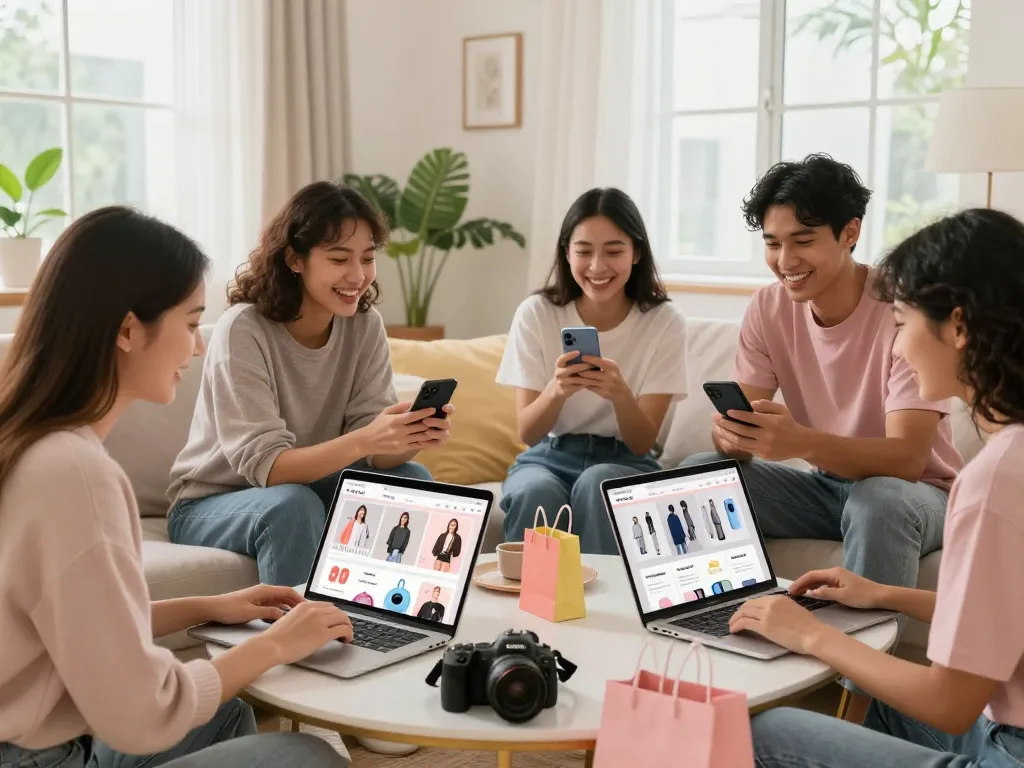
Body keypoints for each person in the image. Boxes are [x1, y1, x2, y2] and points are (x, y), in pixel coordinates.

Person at [0, 207, 351, 768]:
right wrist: (278, 644)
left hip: (33, 740)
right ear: (127, 329)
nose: (197, 348)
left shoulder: (29, 444)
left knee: (225, 714)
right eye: (191, 324)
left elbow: (74, 622)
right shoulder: (76, 475)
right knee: (308, 757)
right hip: (39, 758)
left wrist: (209, 606)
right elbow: (144, 715)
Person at [737, 208, 1024, 767]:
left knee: (769, 733)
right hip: (1004, 730)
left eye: (902, 321)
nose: (901, 344)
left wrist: (813, 637)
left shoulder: (994, 481)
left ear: (958, 327)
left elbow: (949, 703)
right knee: (886, 707)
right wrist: (885, 596)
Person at [681, 154, 963, 720]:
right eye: (772, 243)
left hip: (918, 496)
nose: (785, 261)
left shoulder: (901, 308)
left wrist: (800, 442)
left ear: (850, 232)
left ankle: (863, 712)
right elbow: (747, 420)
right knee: (699, 473)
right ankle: (711, 649)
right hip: (827, 487)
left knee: (878, 498)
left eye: (803, 240)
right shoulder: (767, 307)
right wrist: (732, 436)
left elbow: (907, 459)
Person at [167, 182, 453, 589]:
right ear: (294, 259)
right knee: (293, 506)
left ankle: (397, 627)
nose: (358, 276)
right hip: (214, 502)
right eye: (339, 259)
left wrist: (408, 435)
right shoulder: (243, 329)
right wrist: (366, 441)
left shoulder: (364, 325)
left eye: (368, 258)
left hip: (310, 487)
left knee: (412, 478)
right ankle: (301, 646)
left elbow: (375, 454)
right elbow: (269, 468)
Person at [496, 188, 688, 554]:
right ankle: (529, 607)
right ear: (567, 253)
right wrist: (556, 390)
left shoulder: (664, 321)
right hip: (549, 455)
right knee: (534, 491)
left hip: (626, 461)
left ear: (636, 254)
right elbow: (529, 433)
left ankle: (606, 609)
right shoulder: (537, 312)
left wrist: (620, 394)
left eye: (614, 251)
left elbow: (642, 442)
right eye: (584, 251)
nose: (597, 266)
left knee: (598, 482)